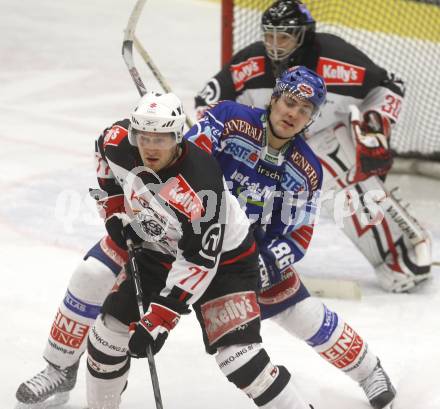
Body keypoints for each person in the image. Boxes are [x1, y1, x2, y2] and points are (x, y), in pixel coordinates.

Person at [16, 68, 395, 409]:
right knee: (92, 276)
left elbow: (298, 233)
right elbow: (189, 150)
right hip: (162, 228)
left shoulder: (306, 170)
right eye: (289, 102)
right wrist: (141, 169)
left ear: (312, 119)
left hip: (238, 252)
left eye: (305, 110)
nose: (293, 113)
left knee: (301, 316)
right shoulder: (230, 118)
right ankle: (60, 367)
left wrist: (267, 263)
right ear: (274, 98)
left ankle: (369, 371)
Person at [194, 0, 432, 294]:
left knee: (330, 159)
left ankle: (396, 250)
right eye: (269, 35)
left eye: (284, 36)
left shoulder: (339, 60)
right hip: (260, 152)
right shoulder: (251, 63)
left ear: (304, 35)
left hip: (318, 150)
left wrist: (374, 129)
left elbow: (389, 86)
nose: (275, 46)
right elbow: (206, 105)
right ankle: (238, 250)